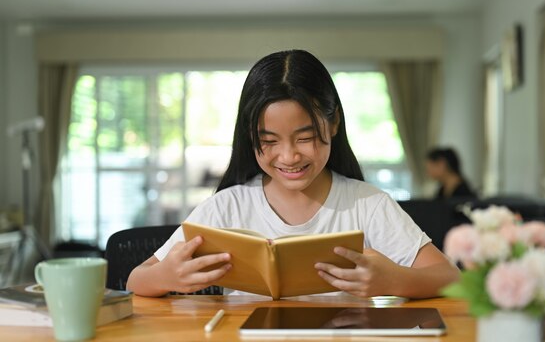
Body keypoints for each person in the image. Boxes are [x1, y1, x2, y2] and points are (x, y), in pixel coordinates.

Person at [126, 50, 459, 298]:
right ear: (250, 137)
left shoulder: (367, 204)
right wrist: (167, 277)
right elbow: (135, 280)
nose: (288, 156)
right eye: (268, 141)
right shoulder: (226, 207)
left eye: (305, 138)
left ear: (334, 123)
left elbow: (451, 278)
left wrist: (397, 280)